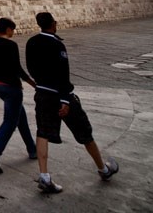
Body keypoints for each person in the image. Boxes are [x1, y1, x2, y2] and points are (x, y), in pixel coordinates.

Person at [25, 11, 119, 193]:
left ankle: (44, 175)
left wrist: (40, 84)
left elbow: (30, 67)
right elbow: (62, 72)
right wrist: (64, 100)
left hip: (42, 94)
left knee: (43, 132)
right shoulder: (56, 44)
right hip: (60, 96)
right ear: (53, 23)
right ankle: (103, 169)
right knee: (84, 132)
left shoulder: (31, 42)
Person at [0, 17, 37, 173]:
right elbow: (17, 68)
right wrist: (32, 83)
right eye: (13, 29)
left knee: (19, 116)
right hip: (11, 87)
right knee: (10, 121)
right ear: (8, 29)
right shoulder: (11, 45)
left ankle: (32, 149)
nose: (13, 32)